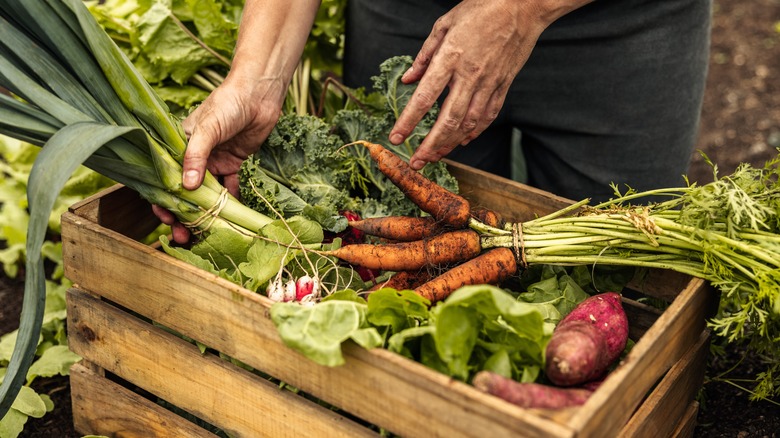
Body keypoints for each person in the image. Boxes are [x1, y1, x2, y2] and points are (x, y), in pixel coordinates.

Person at [154, 0, 712, 243]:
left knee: (618, 270)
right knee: (404, 234)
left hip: (623, 28)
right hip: (414, 22)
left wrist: (520, 9)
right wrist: (259, 78)